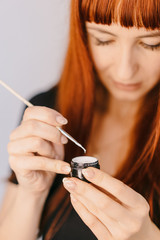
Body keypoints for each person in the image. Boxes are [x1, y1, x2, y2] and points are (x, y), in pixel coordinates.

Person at [0, 0, 160, 239]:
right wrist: (32, 193)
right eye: (103, 40)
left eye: (152, 44)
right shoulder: (47, 112)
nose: (124, 71)